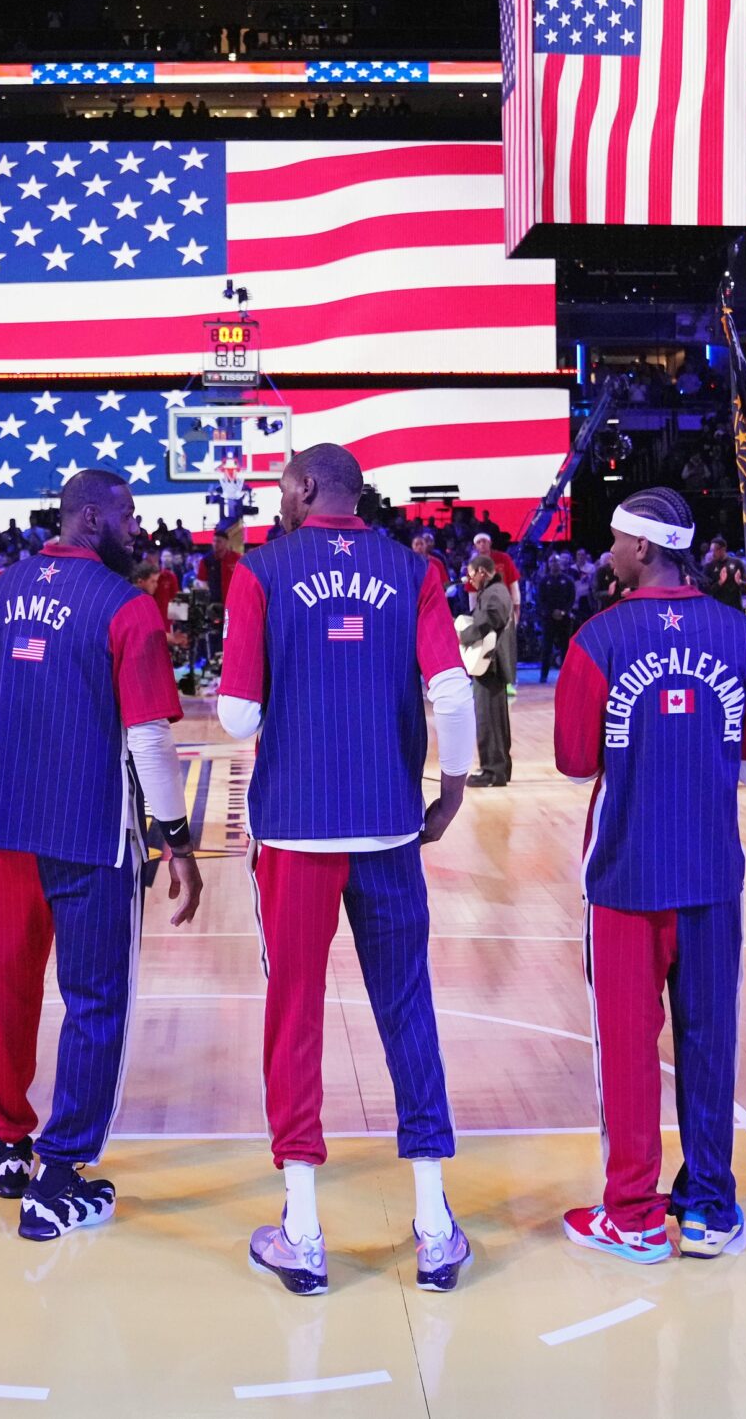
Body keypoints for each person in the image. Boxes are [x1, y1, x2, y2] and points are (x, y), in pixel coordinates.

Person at [222, 442, 476, 1296]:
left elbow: (232, 716)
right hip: (389, 825)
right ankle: (436, 1227)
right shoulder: (415, 570)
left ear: (300, 488)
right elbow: (451, 690)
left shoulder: (261, 572)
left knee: (294, 1016)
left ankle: (302, 1229)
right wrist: (453, 788)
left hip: (296, 831)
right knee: (408, 1009)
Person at [0, 471, 203, 1239]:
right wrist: (176, 840)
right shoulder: (127, 607)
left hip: (13, 831)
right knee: (94, 1001)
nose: (139, 524)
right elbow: (149, 739)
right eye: (127, 513)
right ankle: (60, 1178)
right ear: (91, 517)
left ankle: (9, 1144)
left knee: (10, 985)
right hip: (92, 835)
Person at [552, 489, 746, 1261]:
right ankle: (712, 1210)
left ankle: (637, 1216)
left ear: (644, 549)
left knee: (627, 1046)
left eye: (614, 541)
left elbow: (577, 760)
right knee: (709, 1041)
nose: (605, 553)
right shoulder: (743, 637)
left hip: (624, 874)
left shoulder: (596, 640)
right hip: (713, 871)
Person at [462, 555, 516, 786]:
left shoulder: (494, 593)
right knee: (496, 721)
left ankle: (492, 771)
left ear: (483, 572)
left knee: (489, 720)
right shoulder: (498, 590)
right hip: (492, 665)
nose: (470, 580)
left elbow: (491, 618)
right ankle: (499, 769)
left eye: (472, 574)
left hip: (490, 665)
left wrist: (464, 636)